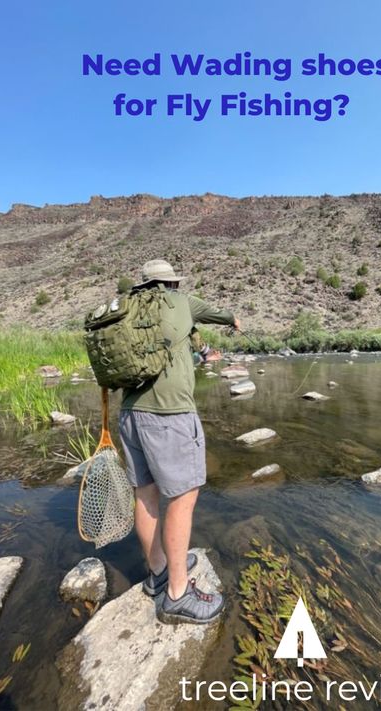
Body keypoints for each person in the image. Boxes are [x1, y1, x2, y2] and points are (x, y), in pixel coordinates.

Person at [119, 259, 239, 624]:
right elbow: (220, 314)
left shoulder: (125, 307)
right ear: (171, 284)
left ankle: (157, 573)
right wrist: (234, 320)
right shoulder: (182, 302)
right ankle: (177, 593)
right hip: (169, 415)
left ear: (144, 284)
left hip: (130, 414)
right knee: (182, 499)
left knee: (146, 494)